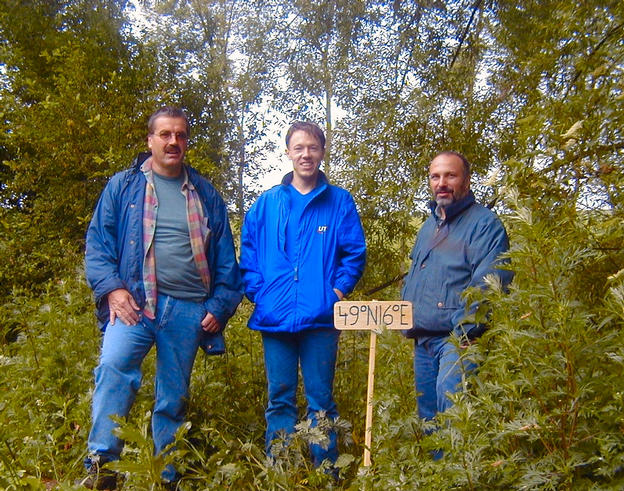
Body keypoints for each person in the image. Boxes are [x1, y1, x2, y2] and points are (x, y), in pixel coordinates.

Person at [81, 106, 243, 489]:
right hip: (134, 305)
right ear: (150, 140)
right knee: (114, 371)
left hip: (188, 309)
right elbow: (98, 245)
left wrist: (220, 306)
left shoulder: (205, 193)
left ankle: (167, 476)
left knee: (173, 396)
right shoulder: (123, 186)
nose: (174, 142)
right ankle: (102, 468)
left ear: (186, 142)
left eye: (181, 135)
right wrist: (113, 289)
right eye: (165, 135)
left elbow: (226, 260)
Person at [240, 121, 366, 467]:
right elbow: (248, 253)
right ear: (288, 152)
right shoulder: (267, 204)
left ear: (322, 152)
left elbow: (354, 254)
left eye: (312, 147)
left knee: (320, 401)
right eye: (299, 148)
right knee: (279, 398)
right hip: (274, 316)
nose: (306, 154)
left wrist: (336, 292)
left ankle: (326, 472)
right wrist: (258, 292)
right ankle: (279, 469)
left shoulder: (339, 201)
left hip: (321, 318)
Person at [402, 151, 513, 423]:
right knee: (429, 418)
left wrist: (467, 331)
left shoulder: (485, 225)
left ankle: (465, 466)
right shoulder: (429, 227)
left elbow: (492, 280)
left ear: (466, 180)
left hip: (458, 338)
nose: (442, 182)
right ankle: (435, 468)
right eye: (435, 176)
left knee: (453, 408)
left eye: (450, 175)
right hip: (423, 339)